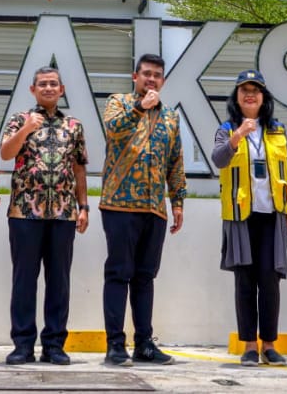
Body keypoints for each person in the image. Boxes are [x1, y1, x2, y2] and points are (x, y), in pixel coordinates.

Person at [99, 53, 186, 367]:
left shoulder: (171, 117)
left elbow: (175, 161)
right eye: (146, 74)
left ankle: (144, 343)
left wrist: (177, 201)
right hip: (118, 203)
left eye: (157, 75)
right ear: (135, 77)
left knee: (145, 277)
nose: (151, 79)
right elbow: (113, 130)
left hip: (154, 207)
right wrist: (140, 107)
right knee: (119, 274)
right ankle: (114, 345)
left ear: (162, 80)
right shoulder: (119, 102)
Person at [0, 66, 89, 366]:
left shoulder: (74, 125)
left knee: (59, 281)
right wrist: (26, 129)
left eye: (53, 84)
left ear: (61, 90)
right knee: (24, 280)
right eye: (42, 84)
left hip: (63, 213)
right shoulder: (19, 120)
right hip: (24, 212)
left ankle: (54, 345)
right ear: (32, 89)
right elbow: (6, 154)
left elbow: (78, 167)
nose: (48, 88)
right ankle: (23, 345)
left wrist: (83, 206)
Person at [213, 70, 287, 368]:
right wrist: (238, 136)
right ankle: (249, 345)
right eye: (244, 90)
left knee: (270, 281)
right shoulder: (226, 128)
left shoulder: (277, 130)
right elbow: (219, 159)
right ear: (236, 97)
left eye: (256, 90)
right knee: (245, 282)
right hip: (240, 216)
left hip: (272, 215)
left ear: (264, 97)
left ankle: (270, 345)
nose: (250, 94)